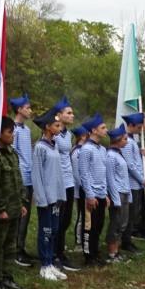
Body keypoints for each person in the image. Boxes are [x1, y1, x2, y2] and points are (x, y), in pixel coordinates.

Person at [0, 116, 26, 289]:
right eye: (10, 132)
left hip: (14, 207)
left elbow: (18, 180)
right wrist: (0, 208)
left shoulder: (12, 154)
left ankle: (7, 276)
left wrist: (21, 203)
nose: (13, 136)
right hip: (1, 210)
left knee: (10, 245)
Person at [31, 110, 67, 281]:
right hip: (46, 198)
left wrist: (61, 194)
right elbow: (37, 175)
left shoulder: (55, 145)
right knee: (45, 231)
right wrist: (41, 198)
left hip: (56, 198)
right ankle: (44, 265)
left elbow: (57, 173)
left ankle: (51, 263)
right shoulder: (39, 147)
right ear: (47, 127)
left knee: (54, 230)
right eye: (56, 125)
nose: (59, 128)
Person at [51, 97, 81, 272]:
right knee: (58, 220)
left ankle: (60, 252)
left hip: (69, 182)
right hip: (58, 182)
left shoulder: (68, 134)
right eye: (68, 113)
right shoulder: (53, 134)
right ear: (58, 116)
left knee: (66, 220)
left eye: (72, 112)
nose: (72, 115)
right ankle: (54, 254)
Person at [77, 113, 109, 266]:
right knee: (89, 225)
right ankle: (88, 256)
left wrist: (106, 193)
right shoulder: (86, 149)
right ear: (93, 130)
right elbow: (84, 174)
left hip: (101, 193)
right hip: (91, 194)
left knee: (99, 224)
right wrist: (89, 195)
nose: (106, 130)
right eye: (103, 128)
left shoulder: (102, 149)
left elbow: (103, 172)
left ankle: (96, 252)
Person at [9, 94, 35, 268]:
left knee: (26, 216)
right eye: (27, 107)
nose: (30, 110)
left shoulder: (27, 130)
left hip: (29, 177)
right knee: (20, 214)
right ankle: (14, 251)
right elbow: (13, 154)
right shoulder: (14, 130)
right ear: (19, 110)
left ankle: (21, 246)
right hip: (21, 178)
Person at [120, 112, 145, 253]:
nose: (140, 129)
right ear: (131, 125)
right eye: (138, 127)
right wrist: (141, 179)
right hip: (132, 183)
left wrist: (140, 151)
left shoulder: (133, 141)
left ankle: (128, 239)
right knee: (130, 215)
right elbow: (130, 165)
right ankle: (125, 241)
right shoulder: (126, 141)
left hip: (136, 183)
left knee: (134, 214)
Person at [104, 125, 131, 263]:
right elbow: (110, 179)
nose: (127, 141)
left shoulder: (119, 154)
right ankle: (111, 252)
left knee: (122, 223)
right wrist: (115, 198)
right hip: (117, 193)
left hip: (124, 191)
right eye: (125, 139)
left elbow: (124, 176)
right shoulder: (110, 156)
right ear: (118, 140)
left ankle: (117, 250)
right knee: (116, 223)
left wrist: (129, 194)